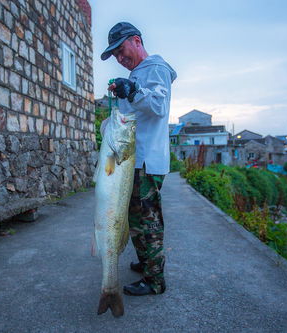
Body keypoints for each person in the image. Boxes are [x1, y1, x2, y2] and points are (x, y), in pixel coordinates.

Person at [101, 22, 177, 296]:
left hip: (147, 162)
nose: (120, 59)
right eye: (116, 56)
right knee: (135, 218)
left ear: (136, 40)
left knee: (148, 221)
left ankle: (155, 280)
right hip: (132, 162)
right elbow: (129, 116)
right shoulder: (136, 75)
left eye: (121, 50)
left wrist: (131, 90)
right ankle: (147, 262)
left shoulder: (155, 69)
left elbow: (158, 107)